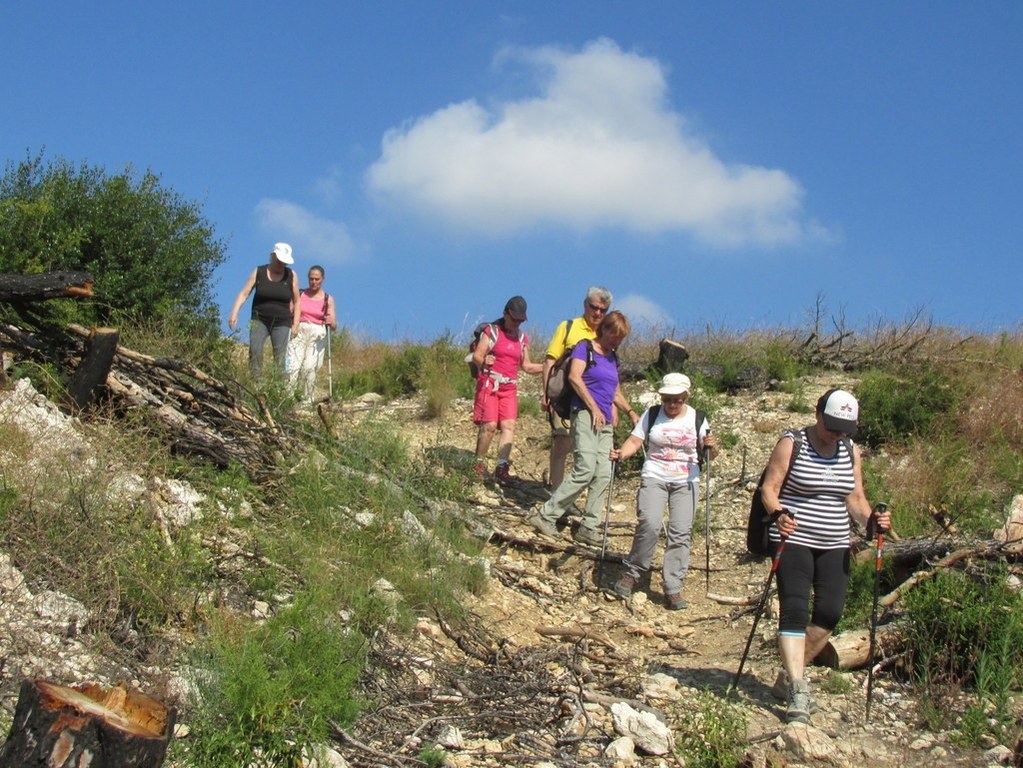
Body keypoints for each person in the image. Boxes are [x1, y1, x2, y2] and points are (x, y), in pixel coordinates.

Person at [758, 388, 892, 724]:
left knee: (830, 614)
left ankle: (789, 676)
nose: (836, 433)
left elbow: (856, 498)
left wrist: (872, 520)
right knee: (795, 609)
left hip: (835, 541)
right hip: (793, 536)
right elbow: (769, 489)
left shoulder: (849, 450)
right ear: (818, 413)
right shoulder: (793, 443)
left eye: (843, 428)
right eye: (832, 425)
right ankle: (799, 688)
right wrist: (778, 513)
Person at [608, 373, 719, 610]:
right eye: (667, 399)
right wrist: (622, 453)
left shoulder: (698, 418)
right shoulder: (651, 414)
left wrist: (712, 447)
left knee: (680, 531)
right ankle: (633, 572)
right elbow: (635, 441)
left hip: (686, 480)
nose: (671, 404)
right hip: (654, 475)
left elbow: (709, 454)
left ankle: (673, 587)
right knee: (649, 522)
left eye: (677, 399)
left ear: (685, 397)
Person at [528, 311, 640, 546]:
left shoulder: (613, 358)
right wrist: (594, 408)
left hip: (605, 423)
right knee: (585, 469)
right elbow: (575, 378)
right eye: (614, 335)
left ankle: (589, 525)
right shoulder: (585, 348)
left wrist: (630, 412)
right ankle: (546, 515)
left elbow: (615, 392)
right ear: (605, 329)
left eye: (621, 338)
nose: (616, 341)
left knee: (603, 474)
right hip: (584, 416)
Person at [541, 286, 613, 491]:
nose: (598, 313)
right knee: (562, 442)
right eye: (594, 307)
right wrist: (546, 394)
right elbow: (550, 361)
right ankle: (556, 491)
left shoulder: (607, 334)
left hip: (592, 401)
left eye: (603, 309)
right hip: (564, 395)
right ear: (585, 304)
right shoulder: (568, 327)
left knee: (582, 447)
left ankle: (567, 494)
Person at [470, 296, 543, 484]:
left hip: (509, 387)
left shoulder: (522, 338)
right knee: (489, 426)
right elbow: (477, 356)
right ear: (505, 314)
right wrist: (484, 361)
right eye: (514, 319)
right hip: (490, 384)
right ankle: (478, 465)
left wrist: (549, 366)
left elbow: (526, 366)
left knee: (508, 425)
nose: (516, 323)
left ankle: (502, 468)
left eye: (520, 320)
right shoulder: (491, 332)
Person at [228, 243, 301, 377]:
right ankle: (256, 382)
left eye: (285, 262)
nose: (282, 264)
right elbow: (244, 293)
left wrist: (295, 324)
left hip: (282, 322)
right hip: (260, 318)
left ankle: (278, 386)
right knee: (255, 350)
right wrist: (234, 312)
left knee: (280, 355)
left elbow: (297, 301)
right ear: (272, 256)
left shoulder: (292, 275)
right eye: (279, 261)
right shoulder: (259, 272)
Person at [287, 265, 338, 401]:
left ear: (323, 279)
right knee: (293, 366)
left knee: (310, 367)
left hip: (317, 333)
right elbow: (289, 311)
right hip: (299, 330)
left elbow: (334, 325)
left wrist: (331, 321)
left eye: (317, 279)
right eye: (311, 279)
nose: (314, 282)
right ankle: (288, 397)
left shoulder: (328, 299)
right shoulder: (300, 294)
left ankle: (307, 399)